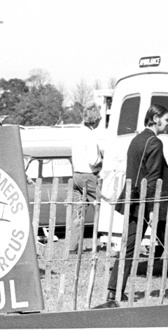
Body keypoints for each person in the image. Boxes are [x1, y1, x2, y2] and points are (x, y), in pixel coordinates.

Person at [100, 103, 168, 307]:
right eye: (166, 119)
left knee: (129, 247)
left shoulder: (136, 140)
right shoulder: (155, 142)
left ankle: (114, 291)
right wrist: (153, 209)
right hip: (151, 205)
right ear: (155, 119)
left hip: (135, 201)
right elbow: (154, 178)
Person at [68, 106, 102, 254]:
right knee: (102, 207)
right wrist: (102, 161)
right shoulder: (91, 136)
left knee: (78, 212)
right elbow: (94, 160)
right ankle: (106, 240)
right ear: (95, 120)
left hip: (76, 175)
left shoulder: (77, 134)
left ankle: (72, 246)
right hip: (89, 175)